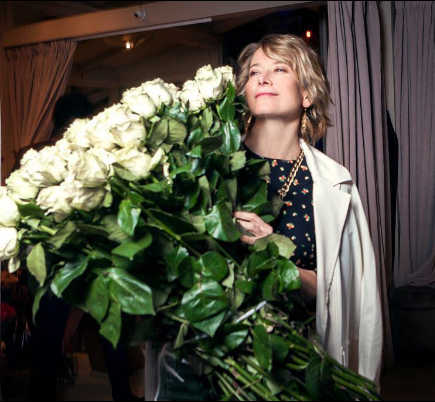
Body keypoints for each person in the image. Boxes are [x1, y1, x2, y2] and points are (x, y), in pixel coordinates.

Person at [234, 34, 383, 385]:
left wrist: (275, 258)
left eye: (279, 69)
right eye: (254, 72)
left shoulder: (335, 184)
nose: (263, 78)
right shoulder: (212, 167)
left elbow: (337, 293)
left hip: (299, 368)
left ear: (307, 94)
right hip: (221, 363)